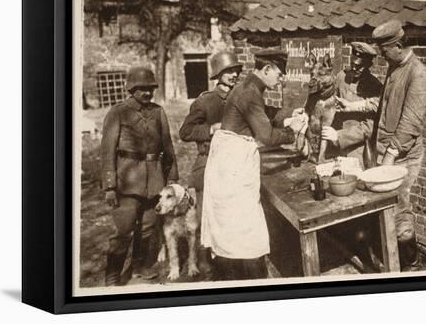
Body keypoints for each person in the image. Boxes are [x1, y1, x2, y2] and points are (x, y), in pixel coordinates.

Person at [322, 20, 426, 268]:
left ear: (400, 45)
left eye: (384, 51)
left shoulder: (417, 75)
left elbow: (410, 124)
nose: (381, 56)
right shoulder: (395, 68)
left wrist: (389, 158)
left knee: (399, 211)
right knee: (385, 209)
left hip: (402, 155)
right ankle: (388, 257)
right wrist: (352, 106)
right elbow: (378, 104)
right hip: (385, 151)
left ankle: (411, 265)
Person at [201, 49, 306, 280]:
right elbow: (267, 136)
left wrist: (287, 117)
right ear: (266, 69)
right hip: (232, 165)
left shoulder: (248, 87)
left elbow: (262, 114)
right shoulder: (249, 92)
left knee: (232, 225)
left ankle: (237, 275)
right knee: (246, 225)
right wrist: (293, 131)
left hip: (229, 161)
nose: (282, 78)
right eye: (279, 73)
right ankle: (251, 280)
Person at [100, 66, 179, 286]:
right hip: (127, 180)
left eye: (150, 88)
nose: (147, 93)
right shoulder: (118, 112)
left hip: (154, 180)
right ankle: (113, 273)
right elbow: (107, 151)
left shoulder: (158, 112)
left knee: (147, 228)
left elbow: (168, 146)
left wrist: (172, 177)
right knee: (123, 230)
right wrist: (109, 186)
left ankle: (140, 266)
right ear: (131, 88)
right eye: (142, 88)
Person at [179, 50, 242, 272]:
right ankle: (205, 265)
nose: (233, 74)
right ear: (218, 74)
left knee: (232, 215)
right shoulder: (205, 101)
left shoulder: (241, 97)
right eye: (228, 71)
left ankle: (230, 260)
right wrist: (210, 129)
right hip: (208, 163)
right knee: (206, 215)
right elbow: (185, 132)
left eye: (235, 70)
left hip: (234, 166)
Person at [333, 42, 382, 162]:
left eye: (360, 66)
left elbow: (370, 127)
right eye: (352, 64)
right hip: (335, 146)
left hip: (359, 150)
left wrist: (341, 136)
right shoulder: (341, 77)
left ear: (369, 65)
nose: (354, 68)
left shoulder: (374, 86)